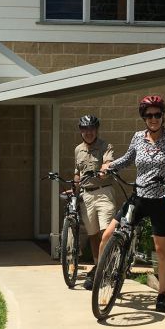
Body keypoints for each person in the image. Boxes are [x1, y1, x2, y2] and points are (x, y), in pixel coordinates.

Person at [100, 95, 165, 312]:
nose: (153, 118)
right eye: (149, 115)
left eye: (157, 114)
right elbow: (127, 158)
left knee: (161, 251)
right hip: (139, 196)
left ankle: (162, 294)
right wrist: (108, 167)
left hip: (163, 200)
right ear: (143, 117)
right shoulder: (138, 137)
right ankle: (102, 278)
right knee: (108, 235)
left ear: (163, 116)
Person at [73, 114, 116, 290]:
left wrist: (104, 170)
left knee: (106, 232)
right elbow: (78, 172)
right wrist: (74, 189)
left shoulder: (106, 146)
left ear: (96, 130)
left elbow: (108, 162)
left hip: (104, 192)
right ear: (81, 131)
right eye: (85, 129)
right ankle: (99, 267)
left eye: (91, 129)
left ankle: (108, 268)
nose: (88, 132)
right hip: (87, 195)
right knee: (92, 234)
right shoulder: (78, 149)